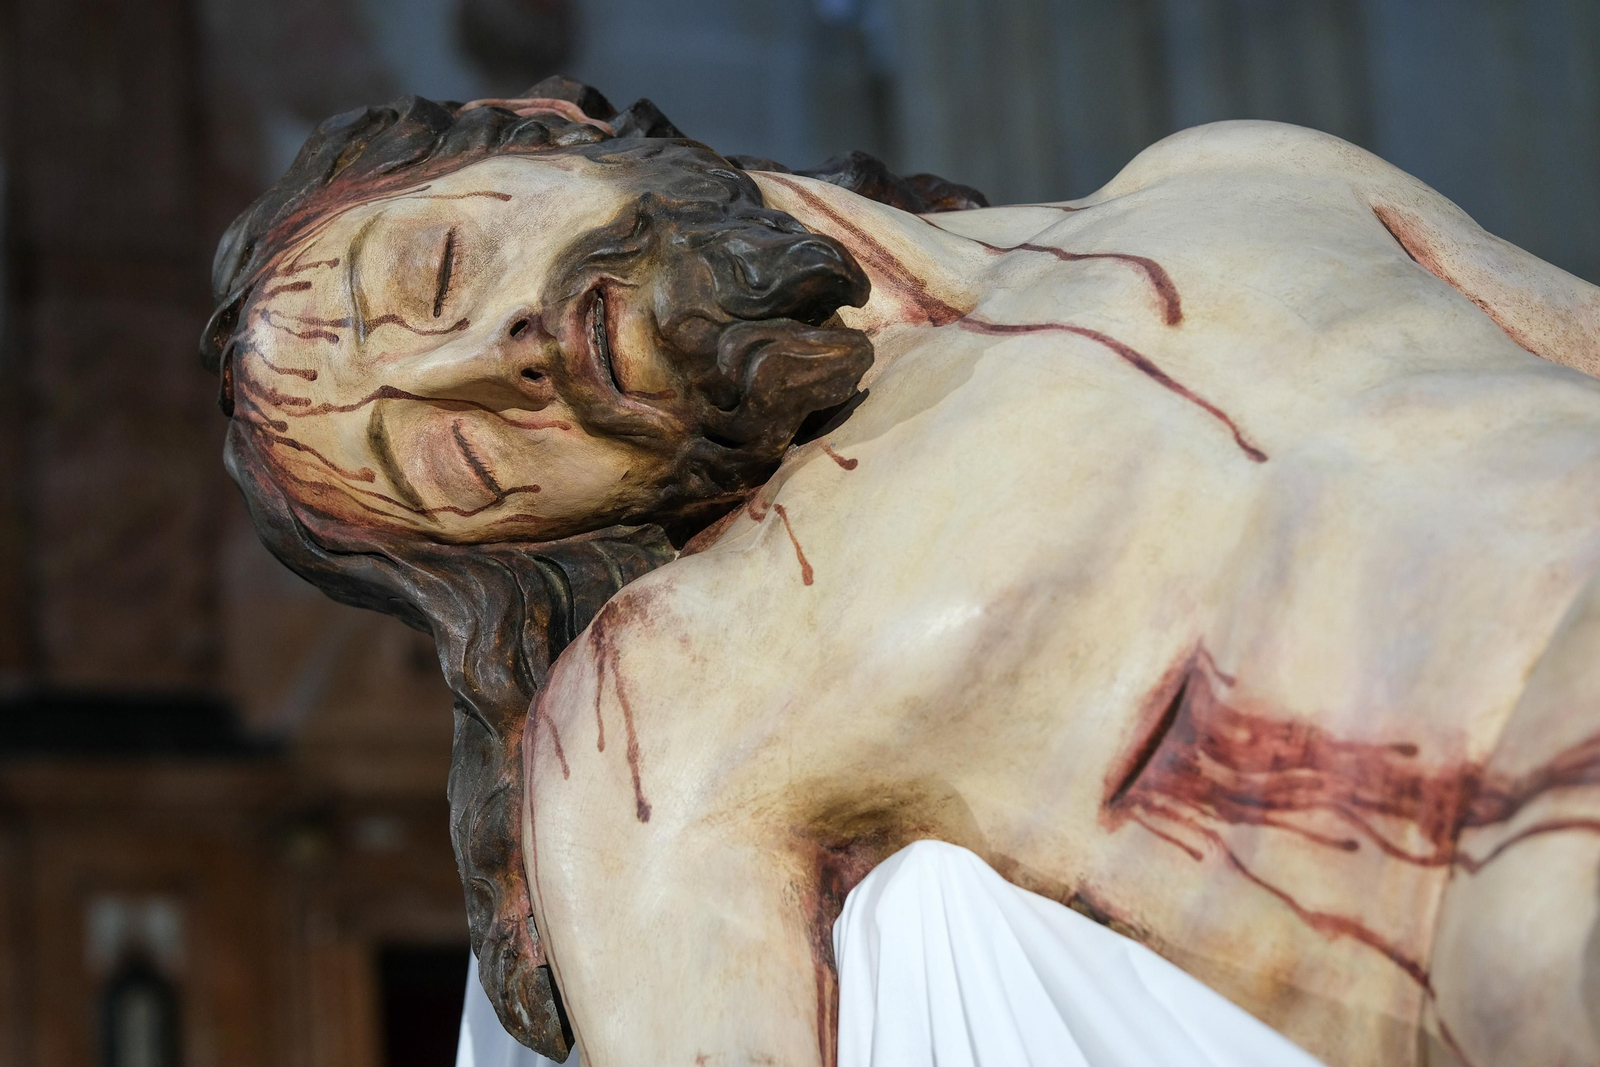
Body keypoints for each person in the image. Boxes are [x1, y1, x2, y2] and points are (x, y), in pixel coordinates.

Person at [204, 77, 1600, 1066]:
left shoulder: (1243, 176)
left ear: (556, 129)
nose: (487, 360)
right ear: (517, 547)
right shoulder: (676, 701)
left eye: (439, 265)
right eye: (453, 464)